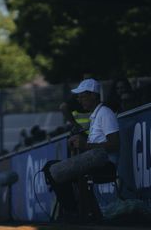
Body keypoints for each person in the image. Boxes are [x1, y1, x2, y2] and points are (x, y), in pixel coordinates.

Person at [44, 78, 120, 221]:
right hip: (96, 160)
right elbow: (95, 144)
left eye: (82, 96)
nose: (79, 100)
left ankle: (73, 213)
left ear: (94, 96)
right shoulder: (97, 114)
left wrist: (85, 145)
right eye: (78, 96)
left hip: (105, 164)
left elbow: (115, 144)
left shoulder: (105, 113)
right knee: (49, 167)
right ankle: (73, 211)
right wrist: (79, 141)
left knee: (52, 169)